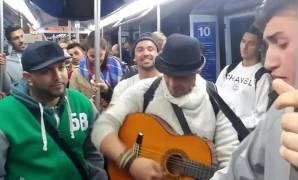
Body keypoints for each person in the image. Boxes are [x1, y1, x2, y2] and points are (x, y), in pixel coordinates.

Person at [92, 33, 239, 179]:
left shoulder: (220, 101)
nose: (172, 83)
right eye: (168, 74)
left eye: (181, 77)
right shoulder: (145, 91)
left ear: (197, 71)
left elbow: (229, 165)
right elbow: (102, 127)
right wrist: (130, 161)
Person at [211, 0, 298, 179]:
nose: (269, 63)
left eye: (282, 43)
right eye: (269, 46)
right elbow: (236, 172)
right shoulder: (281, 113)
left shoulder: (261, 79)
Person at [0, 41, 107, 179]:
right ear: (28, 78)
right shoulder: (5, 115)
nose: (58, 76)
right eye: (46, 71)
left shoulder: (83, 104)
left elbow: (94, 153)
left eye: (61, 67)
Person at [216, 25, 272, 130]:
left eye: (251, 44)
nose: (244, 47)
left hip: (243, 136)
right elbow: (215, 100)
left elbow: (261, 116)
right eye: (243, 41)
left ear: (260, 47)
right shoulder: (228, 69)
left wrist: (234, 124)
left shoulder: (262, 76)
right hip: (222, 132)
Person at [69, 32, 123, 110]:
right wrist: (88, 103)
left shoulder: (118, 68)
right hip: (88, 116)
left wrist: (107, 92)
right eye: (92, 56)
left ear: (105, 51)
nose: (97, 60)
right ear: (86, 53)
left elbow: (124, 97)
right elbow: (73, 101)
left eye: (100, 55)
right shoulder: (77, 74)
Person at [109, 35, 161, 106]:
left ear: (158, 54)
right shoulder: (123, 87)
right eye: (140, 50)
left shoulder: (170, 83)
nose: (146, 53)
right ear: (134, 57)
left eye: (150, 49)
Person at [4, 25, 27, 90]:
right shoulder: (6, 62)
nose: (21, 40)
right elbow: (8, 89)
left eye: (22, 36)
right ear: (10, 42)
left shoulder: (37, 55)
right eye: (16, 38)